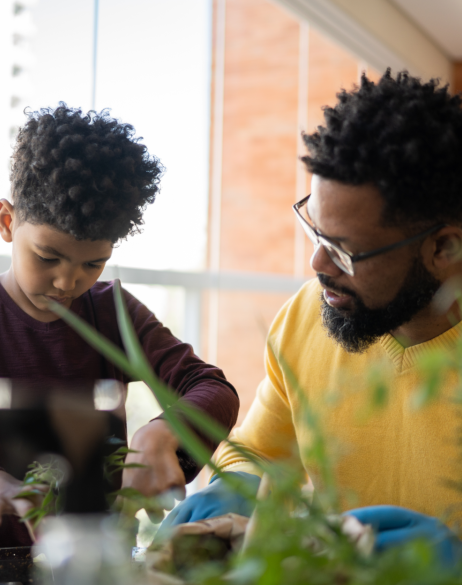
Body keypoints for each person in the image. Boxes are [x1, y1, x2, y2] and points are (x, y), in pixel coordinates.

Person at [161, 70, 462, 565]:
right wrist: (236, 489)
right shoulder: (307, 317)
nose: (317, 265)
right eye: (315, 231)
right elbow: (258, 452)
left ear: (444, 247)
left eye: (344, 252)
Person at [0, 104, 239, 546]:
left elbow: (213, 388)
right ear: (8, 222)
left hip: (98, 560)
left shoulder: (113, 313)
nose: (67, 282)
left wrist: (161, 433)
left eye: (94, 263)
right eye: (47, 257)